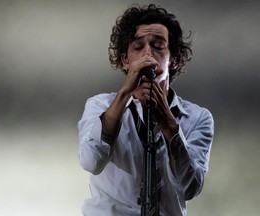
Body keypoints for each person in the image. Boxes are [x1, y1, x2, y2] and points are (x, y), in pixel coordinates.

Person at [78, 4, 214, 216]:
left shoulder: (198, 118)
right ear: (125, 60)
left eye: (158, 46)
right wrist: (124, 94)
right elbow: (91, 161)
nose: (148, 53)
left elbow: (190, 188)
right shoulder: (100, 105)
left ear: (174, 60)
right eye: (138, 47)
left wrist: (169, 123)